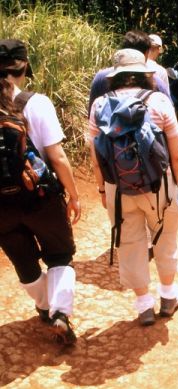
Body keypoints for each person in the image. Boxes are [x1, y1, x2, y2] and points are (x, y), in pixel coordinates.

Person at [88, 48, 178, 326]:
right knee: (165, 238)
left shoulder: (99, 105)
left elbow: (95, 156)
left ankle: (143, 305)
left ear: (115, 76)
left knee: (129, 242)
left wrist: (101, 190)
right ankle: (167, 297)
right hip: (159, 185)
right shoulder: (159, 101)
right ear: (145, 73)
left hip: (117, 188)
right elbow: (176, 154)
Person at [0, 39, 80, 344]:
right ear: (24, 68)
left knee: (24, 262)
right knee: (60, 255)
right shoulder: (36, 103)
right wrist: (73, 195)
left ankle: (44, 308)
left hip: (1, 207)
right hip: (41, 198)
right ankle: (60, 312)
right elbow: (57, 157)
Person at [88, 31, 170, 115]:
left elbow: (92, 115)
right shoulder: (155, 81)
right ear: (146, 53)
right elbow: (169, 116)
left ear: (123, 50)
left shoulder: (101, 77)